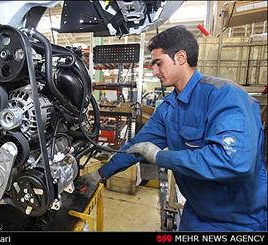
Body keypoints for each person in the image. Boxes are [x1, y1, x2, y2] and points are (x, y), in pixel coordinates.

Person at [97, 25, 267, 231]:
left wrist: (160, 157)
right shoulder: (169, 107)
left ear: (180, 57)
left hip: (239, 221)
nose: (154, 71)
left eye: (158, 63)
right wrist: (101, 173)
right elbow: (138, 146)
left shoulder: (224, 96)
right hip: (196, 213)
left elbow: (233, 162)